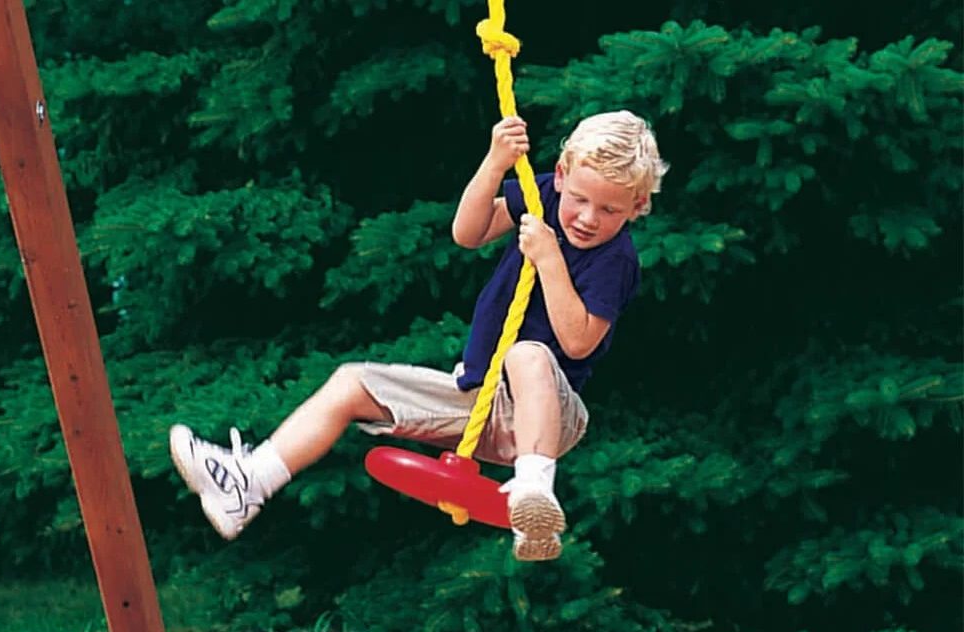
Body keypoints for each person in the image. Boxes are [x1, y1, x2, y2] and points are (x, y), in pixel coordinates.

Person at [170, 110, 667, 561]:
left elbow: (579, 341)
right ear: (560, 175)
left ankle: (533, 493)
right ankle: (250, 482)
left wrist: (550, 259)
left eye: (609, 210)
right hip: (480, 394)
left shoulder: (614, 259)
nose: (587, 218)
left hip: (548, 415)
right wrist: (494, 164)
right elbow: (467, 232)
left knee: (528, 355)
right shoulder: (542, 196)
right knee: (351, 383)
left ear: (637, 206)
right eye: (580, 199)